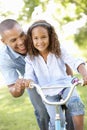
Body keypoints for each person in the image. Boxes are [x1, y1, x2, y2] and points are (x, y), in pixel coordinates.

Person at [24, 20, 87, 130]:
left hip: (65, 86)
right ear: (31, 39)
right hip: (47, 92)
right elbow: (29, 75)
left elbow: (74, 61)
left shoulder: (58, 50)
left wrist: (85, 74)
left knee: (76, 105)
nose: (40, 41)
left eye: (43, 37)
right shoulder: (30, 58)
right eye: (36, 38)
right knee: (57, 121)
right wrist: (28, 81)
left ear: (50, 37)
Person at [0, 19, 50, 130]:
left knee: (69, 105)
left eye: (22, 35)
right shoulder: (4, 58)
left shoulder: (35, 35)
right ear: (4, 42)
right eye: (13, 40)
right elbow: (13, 91)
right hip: (31, 81)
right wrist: (18, 87)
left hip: (52, 72)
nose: (21, 42)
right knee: (42, 112)